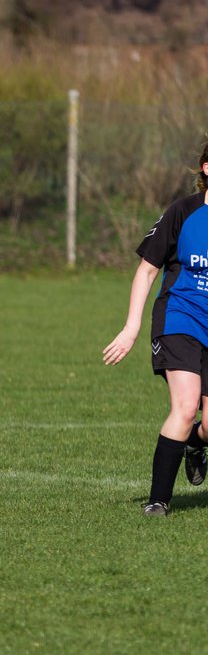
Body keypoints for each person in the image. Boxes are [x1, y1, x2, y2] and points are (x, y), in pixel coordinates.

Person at [104, 139, 208, 515]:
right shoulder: (182, 213)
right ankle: (159, 501)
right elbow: (148, 270)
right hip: (181, 318)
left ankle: (197, 443)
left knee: (207, 426)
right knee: (184, 407)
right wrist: (131, 328)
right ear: (206, 168)